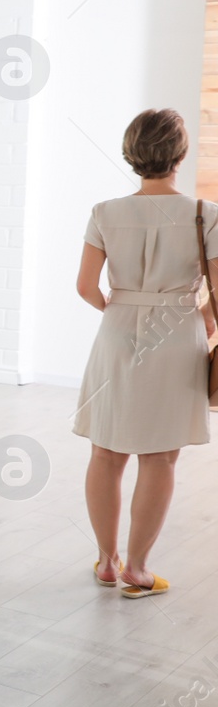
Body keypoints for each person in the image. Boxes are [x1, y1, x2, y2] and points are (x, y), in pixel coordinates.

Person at [74, 109, 214, 599]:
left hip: (116, 332)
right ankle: (138, 567)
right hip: (178, 335)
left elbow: (86, 288)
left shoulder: (104, 212)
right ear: (179, 154)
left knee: (105, 452)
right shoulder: (205, 213)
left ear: (133, 153)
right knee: (160, 457)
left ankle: (107, 562)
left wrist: (120, 306)